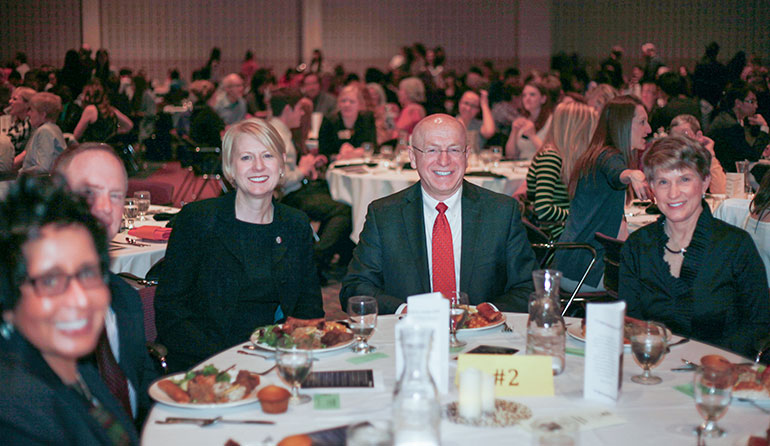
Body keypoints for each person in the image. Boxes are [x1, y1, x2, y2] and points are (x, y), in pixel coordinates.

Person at [155, 119, 324, 372]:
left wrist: (292, 355)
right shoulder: (198, 220)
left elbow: (309, 307)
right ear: (230, 168)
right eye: (246, 158)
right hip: (207, 362)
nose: (258, 166)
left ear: (281, 164)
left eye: (267, 155)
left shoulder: (295, 224)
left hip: (276, 358)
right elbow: (171, 310)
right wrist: (226, 361)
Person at [340, 114, 536, 314]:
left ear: (467, 156)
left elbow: (528, 288)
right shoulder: (384, 215)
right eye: (432, 150)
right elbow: (355, 288)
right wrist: (406, 310)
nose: (444, 161)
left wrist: (485, 314)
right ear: (413, 157)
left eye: (454, 150)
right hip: (411, 336)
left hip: (484, 337)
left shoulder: (501, 212)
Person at [0, 176, 139, 445]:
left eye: (88, 273)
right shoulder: (15, 415)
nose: (80, 299)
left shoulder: (72, 367)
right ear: (7, 300)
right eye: (50, 281)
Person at [620, 136, 768, 358]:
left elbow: (759, 326)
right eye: (663, 182)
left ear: (705, 181)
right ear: (651, 187)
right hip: (652, 371)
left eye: (684, 179)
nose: (673, 193)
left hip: (719, 376)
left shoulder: (735, 247)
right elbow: (630, 324)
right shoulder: (638, 247)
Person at [54, 142, 158, 426]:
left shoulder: (123, 295)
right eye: (89, 193)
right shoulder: (29, 305)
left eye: (115, 196)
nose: (104, 208)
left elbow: (140, 379)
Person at [554, 95, 651, 292]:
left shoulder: (597, 154)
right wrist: (631, 174)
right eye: (642, 122)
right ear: (622, 125)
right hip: (585, 269)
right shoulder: (607, 156)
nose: (648, 129)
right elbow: (616, 173)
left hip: (572, 263)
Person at [269, 88, 354, 282]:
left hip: (294, 190)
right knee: (343, 210)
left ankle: (328, 260)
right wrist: (302, 170)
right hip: (288, 196)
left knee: (337, 199)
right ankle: (315, 261)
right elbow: (278, 180)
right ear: (288, 109)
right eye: (299, 108)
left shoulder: (279, 132)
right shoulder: (279, 137)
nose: (302, 113)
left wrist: (305, 165)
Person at [525, 102, 598, 239]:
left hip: (565, 233)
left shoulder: (557, 155)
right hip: (559, 238)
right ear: (577, 129)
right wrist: (579, 215)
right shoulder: (551, 157)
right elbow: (543, 209)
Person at [707, 81, 769, 172]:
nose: (756, 106)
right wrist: (764, 127)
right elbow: (752, 156)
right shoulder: (731, 126)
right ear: (738, 103)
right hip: (722, 174)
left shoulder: (727, 118)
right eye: (751, 101)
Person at [667, 114, 726, 194]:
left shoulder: (702, 161)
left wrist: (710, 156)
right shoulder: (667, 164)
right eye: (675, 140)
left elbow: (721, 193)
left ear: (698, 136)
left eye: (685, 136)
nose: (680, 144)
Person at [318, 83, 377, 159]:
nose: (347, 104)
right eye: (343, 101)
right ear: (339, 103)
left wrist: (356, 152)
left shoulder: (367, 119)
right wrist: (339, 156)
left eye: (352, 101)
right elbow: (323, 153)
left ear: (359, 104)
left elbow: (373, 146)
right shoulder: (329, 121)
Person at [18, 92, 66, 175]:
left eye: (32, 110)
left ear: (43, 115)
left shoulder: (45, 131)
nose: (28, 114)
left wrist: (22, 172)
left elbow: (44, 167)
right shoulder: (54, 128)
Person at [505, 79, 554, 160]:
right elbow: (510, 155)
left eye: (532, 95)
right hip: (520, 167)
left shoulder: (552, 121)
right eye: (524, 95)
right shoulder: (522, 120)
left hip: (540, 167)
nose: (527, 98)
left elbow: (549, 155)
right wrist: (514, 132)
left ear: (543, 99)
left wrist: (532, 136)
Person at [187, 80, 225, 148]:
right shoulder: (210, 115)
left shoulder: (196, 111)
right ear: (213, 96)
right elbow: (216, 141)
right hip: (210, 153)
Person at [5, 86, 35, 158]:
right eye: (11, 98)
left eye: (14, 99)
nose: (10, 101)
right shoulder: (17, 122)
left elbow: (5, 145)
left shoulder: (29, 124)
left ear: (27, 104)